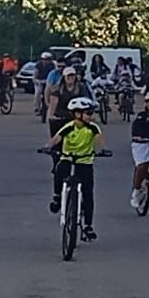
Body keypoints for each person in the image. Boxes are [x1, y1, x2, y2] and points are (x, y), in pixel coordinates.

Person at [43, 97, 103, 241]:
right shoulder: (69, 126)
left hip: (85, 160)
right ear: (77, 114)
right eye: (88, 113)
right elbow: (57, 138)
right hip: (68, 157)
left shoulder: (93, 127)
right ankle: (57, 197)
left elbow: (100, 140)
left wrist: (104, 150)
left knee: (88, 193)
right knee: (60, 172)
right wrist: (47, 147)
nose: (91, 116)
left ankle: (88, 225)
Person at [47, 67, 90, 137]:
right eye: (68, 76)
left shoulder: (81, 87)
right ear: (64, 77)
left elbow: (85, 101)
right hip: (60, 117)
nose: (71, 78)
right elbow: (53, 105)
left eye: (72, 75)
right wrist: (52, 115)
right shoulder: (57, 88)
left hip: (75, 117)